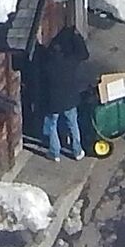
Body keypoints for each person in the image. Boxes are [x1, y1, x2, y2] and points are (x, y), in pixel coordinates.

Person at [26, 17, 97, 161]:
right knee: (73, 123)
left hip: (53, 102)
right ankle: (77, 151)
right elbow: (84, 54)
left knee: (51, 125)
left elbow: (38, 62)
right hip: (70, 99)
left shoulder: (46, 65)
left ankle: (55, 152)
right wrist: (76, 36)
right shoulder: (69, 62)